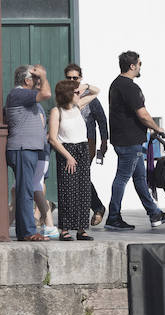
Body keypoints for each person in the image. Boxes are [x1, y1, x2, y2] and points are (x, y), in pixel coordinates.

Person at [106, 50, 165, 231]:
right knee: (122, 178)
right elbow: (142, 113)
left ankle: (154, 213)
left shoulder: (116, 84)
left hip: (124, 139)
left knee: (140, 179)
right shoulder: (129, 86)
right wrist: (156, 127)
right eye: (140, 64)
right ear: (132, 66)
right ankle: (113, 217)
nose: (141, 67)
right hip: (129, 141)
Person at [48, 78, 100, 241]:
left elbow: (96, 91)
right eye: (76, 92)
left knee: (83, 190)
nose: (79, 94)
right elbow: (53, 138)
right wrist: (68, 156)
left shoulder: (78, 106)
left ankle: (81, 228)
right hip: (67, 150)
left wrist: (84, 87)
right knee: (68, 191)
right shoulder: (57, 111)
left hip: (82, 148)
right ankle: (64, 228)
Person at [5, 64, 51, 241]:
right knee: (25, 191)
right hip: (23, 149)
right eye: (35, 79)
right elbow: (46, 93)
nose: (38, 82)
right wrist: (44, 76)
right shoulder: (19, 93)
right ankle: (28, 232)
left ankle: (26, 231)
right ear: (26, 80)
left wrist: (39, 80)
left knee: (25, 190)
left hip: (28, 149)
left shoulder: (24, 96)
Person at [64, 63, 108, 227]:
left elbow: (101, 120)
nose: (72, 80)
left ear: (80, 78)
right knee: (73, 176)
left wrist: (104, 141)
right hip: (68, 141)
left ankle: (96, 207)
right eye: (69, 78)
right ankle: (95, 207)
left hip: (87, 140)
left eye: (75, 77)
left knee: (80, 174)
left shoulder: (89, 96)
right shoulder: (63, 94)